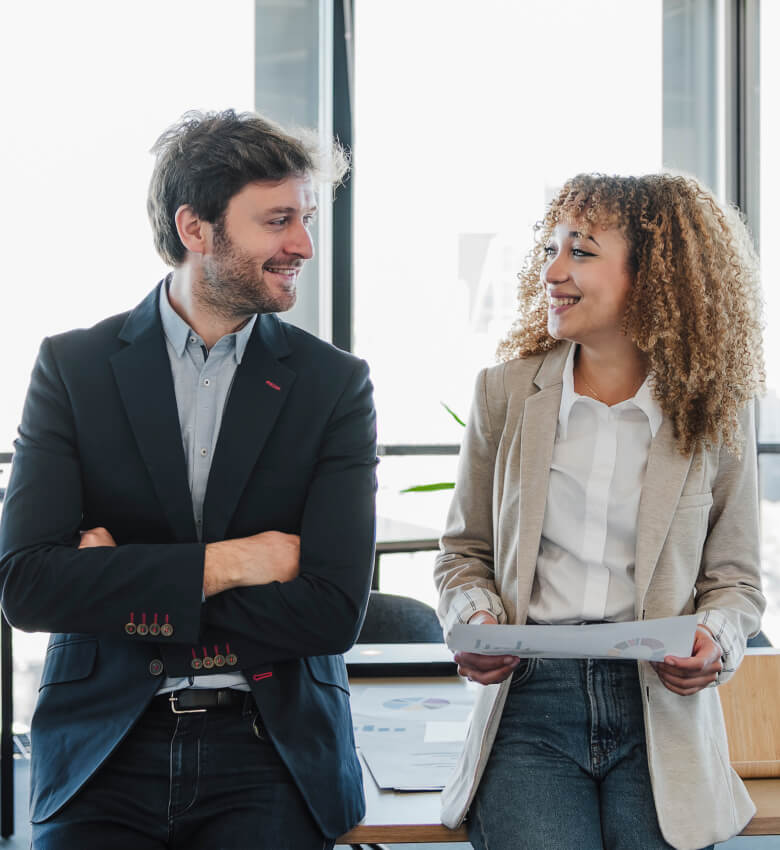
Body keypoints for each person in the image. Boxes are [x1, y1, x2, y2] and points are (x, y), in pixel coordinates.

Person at [0, 109, 377, 849]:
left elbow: (332, 611)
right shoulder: (74, 369)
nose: (302, 243)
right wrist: (232, 565)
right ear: (195, 229)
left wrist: (119, 586)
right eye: (277, 221)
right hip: (105, 741)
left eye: (303, 218)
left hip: (270, 747)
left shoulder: (333, 385)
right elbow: (27, 587)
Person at [434, 173, 765, 850]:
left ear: (657, 277)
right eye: (553, 248)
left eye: (581, 252)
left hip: (661, 708)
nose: (553, 271)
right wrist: (474, 619)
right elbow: (463, 555)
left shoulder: (716, 410)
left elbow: (734, 581)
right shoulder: (504, 394)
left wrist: (718, 644)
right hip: (531, 702)